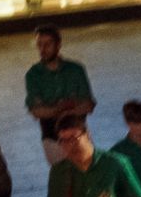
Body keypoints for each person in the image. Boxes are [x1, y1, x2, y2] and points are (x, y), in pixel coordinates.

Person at [23, 24, 95, 166]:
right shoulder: (33, 75)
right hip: (52, 138)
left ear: (58, 44)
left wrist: (53, 110)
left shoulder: (75, 70)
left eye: (48, 44)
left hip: (78, 134)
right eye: (40, 45)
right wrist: (68, 108)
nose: (43, 49)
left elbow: (88, 105)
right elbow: (36, 111)